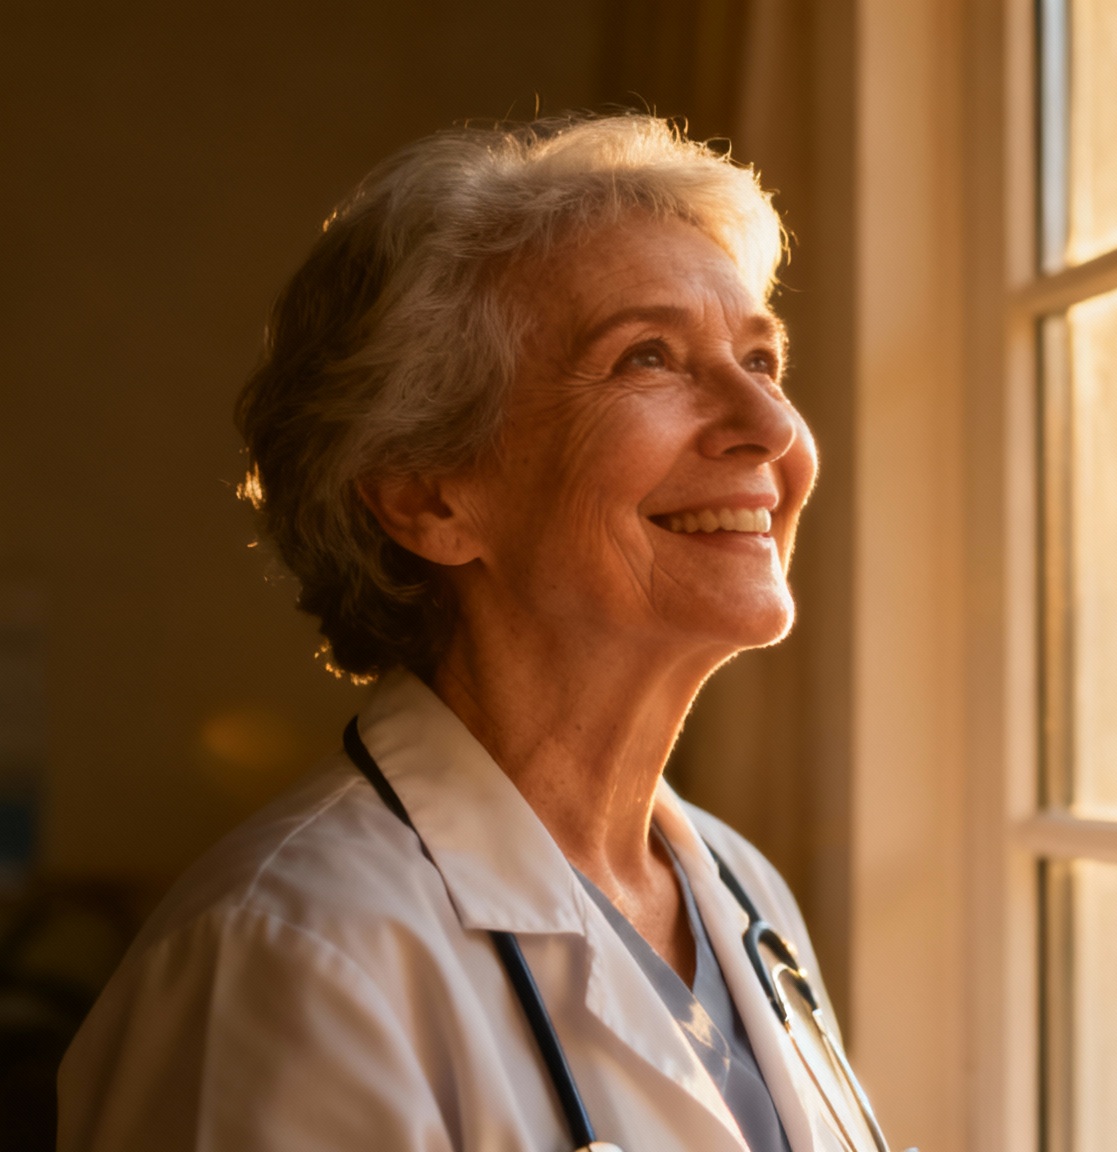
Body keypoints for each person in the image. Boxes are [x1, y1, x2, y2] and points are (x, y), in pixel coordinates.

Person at [56, 114, 877, 1152]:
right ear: (427, 496)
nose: (771, 428)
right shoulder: (286, 952)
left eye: (761, 359)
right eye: (649, 358)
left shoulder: (741, 893)